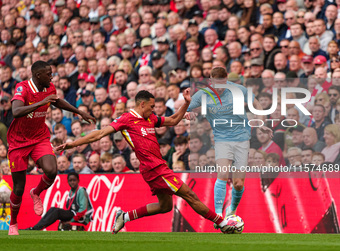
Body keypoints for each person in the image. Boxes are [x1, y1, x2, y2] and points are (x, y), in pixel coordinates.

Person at [56, 89, 233, 234]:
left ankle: (124, 217)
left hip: (157, 166)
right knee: (190, 195)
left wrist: (186, 102)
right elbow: (100, 133)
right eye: (151, 106)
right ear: (142, 104)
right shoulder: (127, 119)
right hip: (154, 168)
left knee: (165, 206)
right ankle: (222, 223)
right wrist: (73, 143)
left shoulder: (150, 118)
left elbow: (172, 120)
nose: (153, 109)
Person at [7, 61, 95, 235]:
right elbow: (16, 111)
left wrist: (79, 112)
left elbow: (58, 102)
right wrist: (42, 103)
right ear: (38, 75)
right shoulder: (22, 88)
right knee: (18, 187)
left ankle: (36, 192)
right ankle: (13, 223)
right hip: (18, 142)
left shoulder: (50, 88)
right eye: (49, 74)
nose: (52, 77)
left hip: (39, 137)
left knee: (52, 170)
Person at [185, 67, 273, 221]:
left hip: (242, 139)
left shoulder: (239, 90)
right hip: (221, 139)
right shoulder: (203, 94)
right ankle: (218, 215)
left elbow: (257, 105)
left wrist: (260, 123)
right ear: (210, 81)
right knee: (223, 174)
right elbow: (186, 107)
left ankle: (231, 210)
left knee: (238, 184)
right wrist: (189, 112)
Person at [26, 172, 93, 231]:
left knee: (57, 212)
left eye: (74, 180)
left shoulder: (81, 191)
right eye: (70, 180)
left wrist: (71, 221)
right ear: (68, 182)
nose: (72, 182)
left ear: (78, 180)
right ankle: (37, 227)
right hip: (74, 214)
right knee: (53, 209)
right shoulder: (71, 192)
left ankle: (36, 228)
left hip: (81, 218)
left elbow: (83, 210)